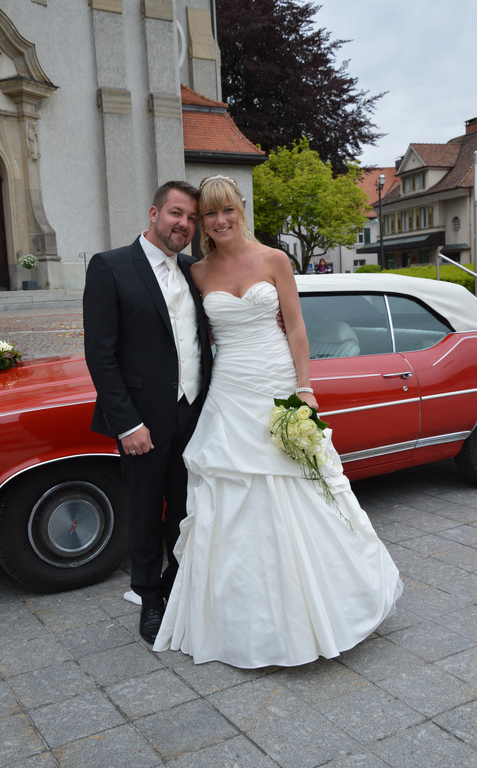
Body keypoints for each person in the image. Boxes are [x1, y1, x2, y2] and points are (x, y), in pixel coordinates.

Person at [153, 175, 403, 668]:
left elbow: (297, 329)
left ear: (240, 210)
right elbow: (190, 333)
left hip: (278, 384)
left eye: (227, 210)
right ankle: (240, 616)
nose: (219, 220)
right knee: (230, 495)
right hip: (229, 393)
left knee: (302, 487)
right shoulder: (196, 272)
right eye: (209, 214)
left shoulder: (274, 260)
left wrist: (304, 389)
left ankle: (329, 601)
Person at [83, 180, 213, 645]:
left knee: (185, 505)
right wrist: (127, 424)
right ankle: (149, 597)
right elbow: (100, 355)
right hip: (142, 420)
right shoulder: (111, 266)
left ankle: (175, 583)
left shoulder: (196, 270)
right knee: (143, 510)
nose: (185, 224)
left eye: (192, 218)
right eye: (177, 213)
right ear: (155, 212)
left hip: (194, 413)